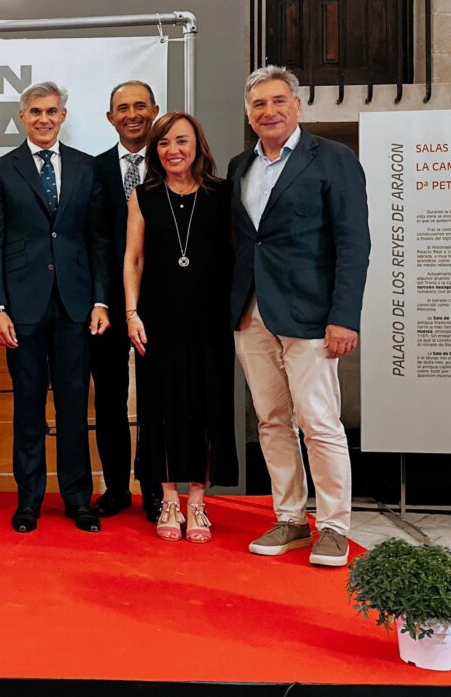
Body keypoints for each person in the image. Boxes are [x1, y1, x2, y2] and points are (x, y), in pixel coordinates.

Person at [229, 65, 369, 568]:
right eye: (259, 104)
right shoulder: (240, 165)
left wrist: (345, 316)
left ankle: (333, 526)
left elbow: (354, 242)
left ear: (297, 106)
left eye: (277, 101)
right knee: (271, 422)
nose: (269, 111)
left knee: (320, 422)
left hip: (312, 315)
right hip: (251, 312)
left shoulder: (333, 159)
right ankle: (290, 517)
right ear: (249, 113)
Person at [0, 81, 110, 534]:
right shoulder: (1, 170)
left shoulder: (86, 167)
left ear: (63, 116)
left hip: (76, 306)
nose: (43, 118)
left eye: (51, 111)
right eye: (35, 111)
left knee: (75, 406)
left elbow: (98, 238)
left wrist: (100, 299)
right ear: (22, 117)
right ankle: (29, 501)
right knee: (29, 407)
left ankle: (78, 499)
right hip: (22, 307)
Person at [124, 112, 239, 543]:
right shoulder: (143, 196)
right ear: (155, 151)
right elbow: (133, 259)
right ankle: (168, 497)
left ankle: (198, 501)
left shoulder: (223, 193)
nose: (173, 150)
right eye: (164, 143)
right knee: (161, 410)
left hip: (210, 319)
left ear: (198, 145)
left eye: (182, 141)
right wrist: (132, 313)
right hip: (156, 318)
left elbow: (236, 253)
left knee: (207, 407)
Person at [91, 80, 161, 523]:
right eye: (122, 108)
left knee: (156, 398)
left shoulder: (174, 163)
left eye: (140, 106)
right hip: (105, 303)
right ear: (110, 117)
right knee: (110, 399)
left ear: (154, 110)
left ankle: (155, 488)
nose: (131, 114)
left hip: (159, 301)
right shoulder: (91, 170)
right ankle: (116, 487)